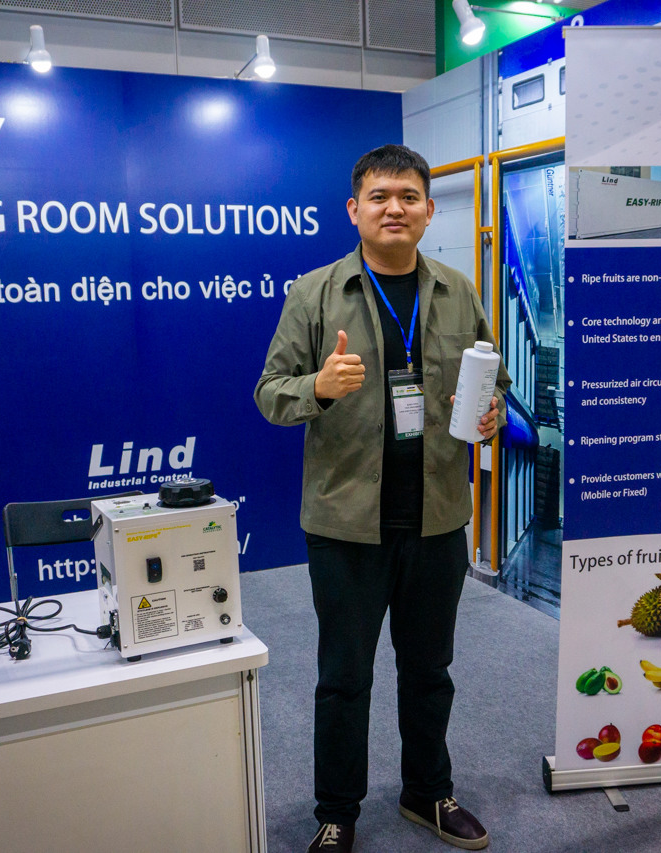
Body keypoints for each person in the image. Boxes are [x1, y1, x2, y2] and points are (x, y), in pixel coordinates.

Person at [254, 144, 509, 853]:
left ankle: (428, 792)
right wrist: (317, 387)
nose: (394, 208)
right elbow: (269, 394)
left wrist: (491, 409)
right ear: (354, 209)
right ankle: (337, 813)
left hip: (436, 518)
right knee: (344, 679)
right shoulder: (315, 293)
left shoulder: (457, 290)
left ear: (427, 210)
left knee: (429, 672)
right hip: (346, 526)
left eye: (408, 196)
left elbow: (493, 375)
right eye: (379, 196)